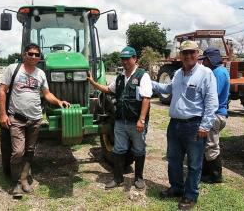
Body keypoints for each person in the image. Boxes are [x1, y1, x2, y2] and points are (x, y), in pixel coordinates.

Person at [152, 40, 218, 210]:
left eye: (191, 52)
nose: (188, 56)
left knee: (194, 164)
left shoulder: (205, 73)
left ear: (197, 54)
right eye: (185, 53)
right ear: (180, 55)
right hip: (174, 125)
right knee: (173, 160)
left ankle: (190, 196)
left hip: (194, 126)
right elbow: (168, 89)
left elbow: (211, 103)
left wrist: (205, 126)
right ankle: (176, 188)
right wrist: (148, 82)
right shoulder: (178, 74)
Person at [0, 43, 70, 198]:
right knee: (18, 152)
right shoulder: (13, 69)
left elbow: (46, 93)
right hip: (16, 118)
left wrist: (59, 102)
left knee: (30, 151)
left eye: (36, 55)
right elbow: (2, 91)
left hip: (35, 119)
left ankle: (24, 180)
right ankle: (16, 182)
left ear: (39, 57)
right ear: (24, 54)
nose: (33, 57)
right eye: (30, 54)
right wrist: (3, 114)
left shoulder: (40, 74)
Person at [87, 46, 152, 190]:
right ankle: (118, 178)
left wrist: (141, 120)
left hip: (136, 122)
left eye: (128, 59)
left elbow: (146, 99)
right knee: (118, 149)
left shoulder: (143, 76)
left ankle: (139, 178)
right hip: (121, 121)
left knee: (139, 149)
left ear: (135, 59)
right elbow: (108, 90)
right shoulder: (120, 77)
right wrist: (93, 83)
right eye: (123, 59)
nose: (125, 62)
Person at [198, 48, 230, 184]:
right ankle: (206, 172)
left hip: (215, 115)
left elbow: (212, 96)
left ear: (211, 59)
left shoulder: (218, 73)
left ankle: (215, 175)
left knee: (211, 145)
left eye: (205, 59)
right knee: (208, 144)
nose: (203, 62)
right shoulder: (219, 71)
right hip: (218, 113)